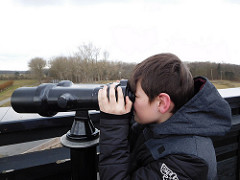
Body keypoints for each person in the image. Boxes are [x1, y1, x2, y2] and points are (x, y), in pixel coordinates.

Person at [98, 53, 232, 180]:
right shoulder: (161, 121)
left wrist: (113, 124)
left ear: (162, 103)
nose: (132, 99)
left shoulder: (189, 161)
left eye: (136, 95)